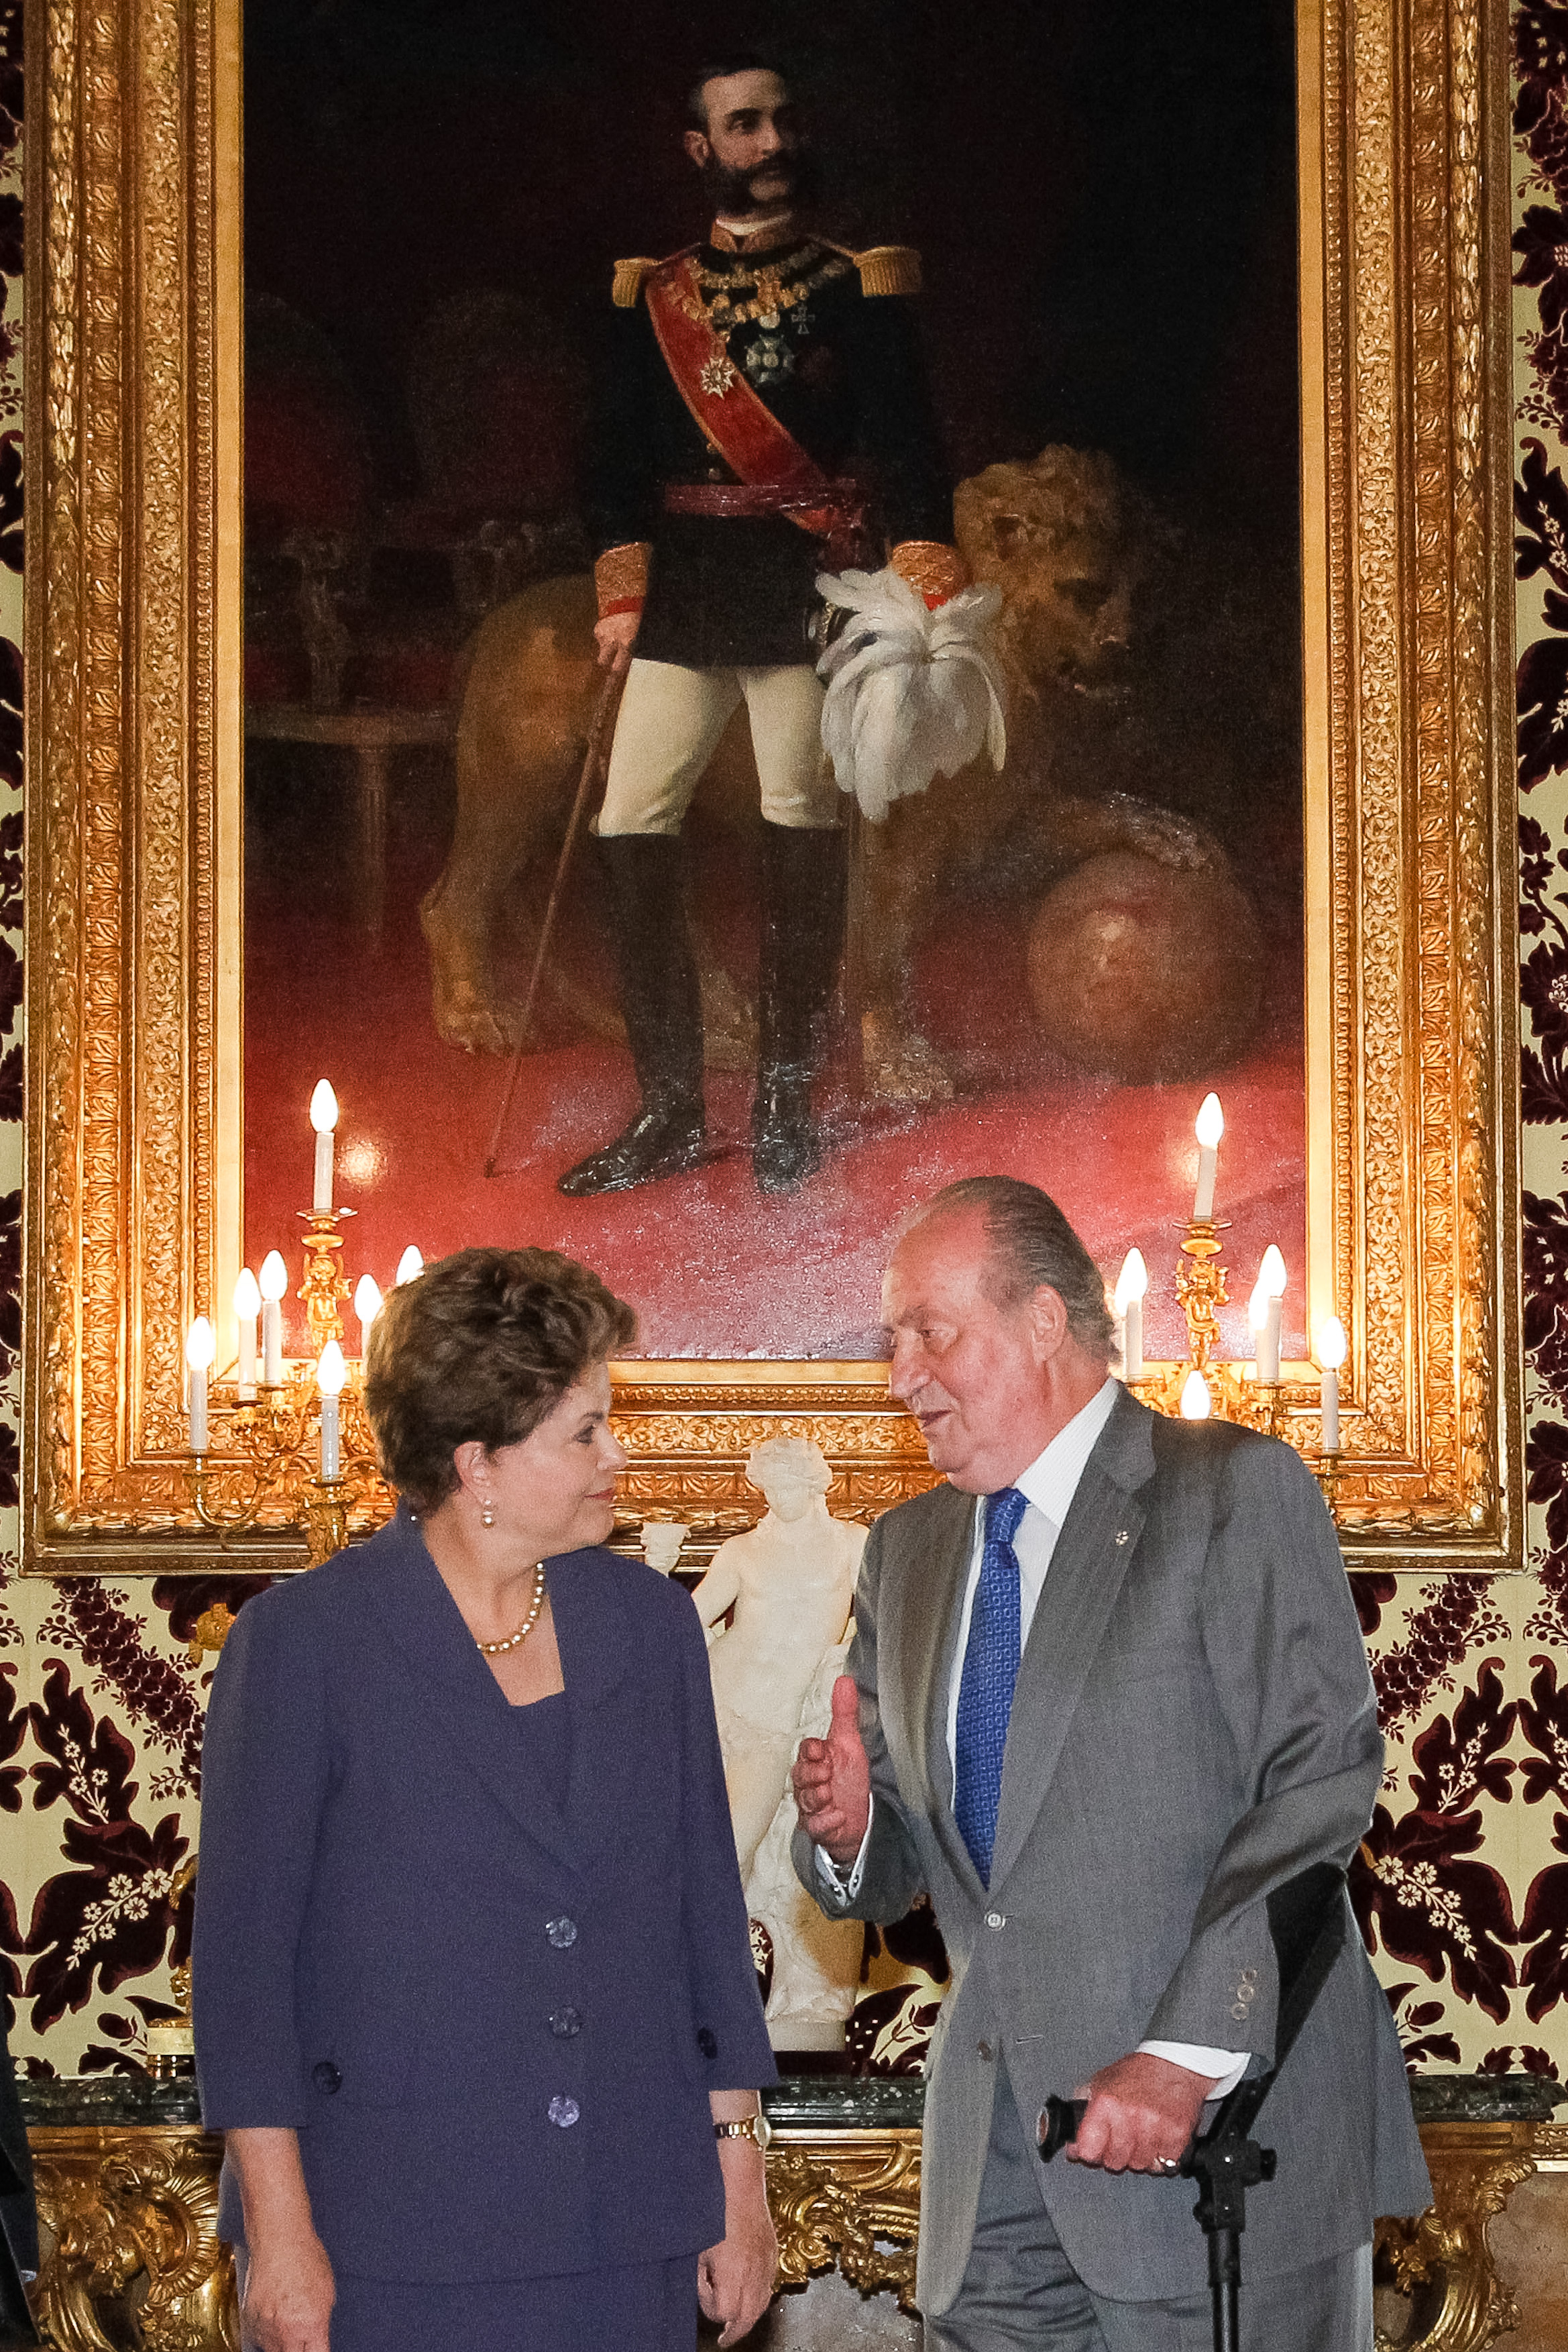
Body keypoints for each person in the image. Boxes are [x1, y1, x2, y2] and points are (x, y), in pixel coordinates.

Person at [791, 1177, 1431, 2350]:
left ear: (1043, 1320)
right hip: (992, 2173)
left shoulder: (1229, 1491)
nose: (900, 1376)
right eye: (891, 1343)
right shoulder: (908, 1550)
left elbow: (1316, 1778)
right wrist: (845, 1833)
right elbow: (898, 1869)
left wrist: (1182, 2059)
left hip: (1215, 2161)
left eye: (930, 1333)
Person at [192, 1246, 777, 2352]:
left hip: (630, 2224)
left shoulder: (649, 1626)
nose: (619, 1455)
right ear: (480, 1466)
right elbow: (243, 1974)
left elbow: (705, 1914)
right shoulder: (305, 1644)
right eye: (586, 1432)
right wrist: (280, 2233)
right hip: (394, 2237)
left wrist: (737, 2182)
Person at [561, 54, 966, 1201]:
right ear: (701, 149)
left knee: (798, 822)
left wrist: (921, 575)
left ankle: (786, 1092)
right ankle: (671, 1109)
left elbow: (910, 447)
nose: (771, 139)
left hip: (808, 591)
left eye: (781, 118)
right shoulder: (653, 294)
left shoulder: (860, 286)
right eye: (744, 125)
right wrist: (622, 592)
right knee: (631, 820)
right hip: (687, 592)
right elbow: (608, 465)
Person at [693, 1436, 864, 1882]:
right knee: (675, 1846)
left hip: (773, 1724)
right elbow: (690, 1618)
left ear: (812, 1485)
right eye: (767, 1487)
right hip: (715, 1699)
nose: (775, 1496)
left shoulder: (849, 1543)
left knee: (731, 1850)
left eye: (785, 1485)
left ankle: (732, 1949)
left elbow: (888, 1619)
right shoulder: (742, 1549)